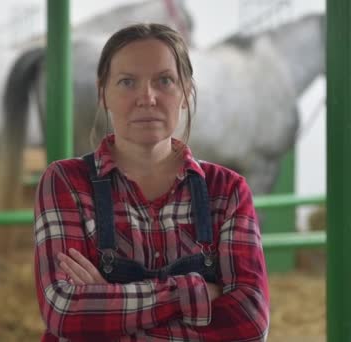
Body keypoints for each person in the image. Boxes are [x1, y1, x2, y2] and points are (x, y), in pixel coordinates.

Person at [33, 23, 269, 341]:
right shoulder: (65, 182)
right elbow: (64, 310)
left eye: (165, 81)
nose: (147, 97)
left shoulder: (227, 191)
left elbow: (250, 323)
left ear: (186, 92)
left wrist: (109, 299)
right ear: (103, 93)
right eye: (127, 82)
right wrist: (195, 291)